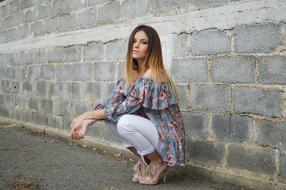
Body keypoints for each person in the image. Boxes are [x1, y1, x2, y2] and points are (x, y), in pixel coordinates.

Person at [70, 25, 185, 185]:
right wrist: (88, 122)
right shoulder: (131, 76)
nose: (136, 45)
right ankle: (146, 161)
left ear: (152, 48)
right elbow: (112, 104)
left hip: (166, 135)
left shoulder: (153, 74)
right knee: (112, 120)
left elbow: (125, 108)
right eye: (134, 41)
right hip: (151, 131)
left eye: (143, 42)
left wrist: (84, 115)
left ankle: (158, 162)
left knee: (124, 121)